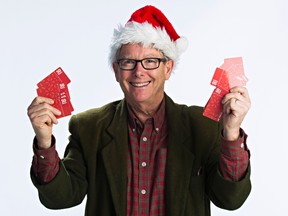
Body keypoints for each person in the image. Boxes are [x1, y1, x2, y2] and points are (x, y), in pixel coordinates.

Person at [27, 5, 251, 216]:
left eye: (150, 61)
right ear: (116, 70)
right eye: (128, 62)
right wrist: (45, 143)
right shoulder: (88, 127)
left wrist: (231, 134)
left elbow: (229, 200)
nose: (139, 72)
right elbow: (60, 198)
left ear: (168, 68)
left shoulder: (203, 126)